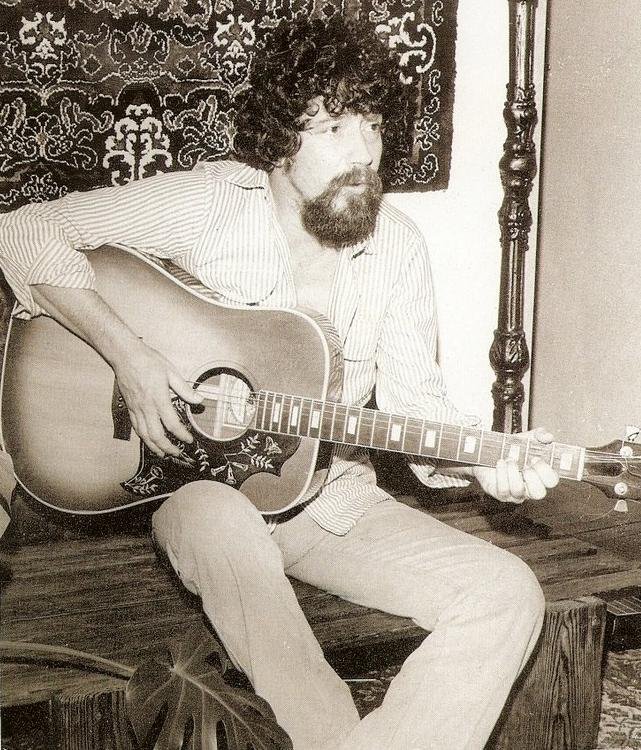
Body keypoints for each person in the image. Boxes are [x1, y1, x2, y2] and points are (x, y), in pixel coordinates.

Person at [0, 16, 559, 750]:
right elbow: (21, 231)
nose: (364, 152)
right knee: (221, 520)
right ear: (279, 141)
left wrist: (488, 462)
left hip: (326, 501)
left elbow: (417, 407)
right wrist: (132, 360)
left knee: (508, 592)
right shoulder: (209, 205)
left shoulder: (397, 248)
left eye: (373, 124)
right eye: (333, 128)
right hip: (193, 495)